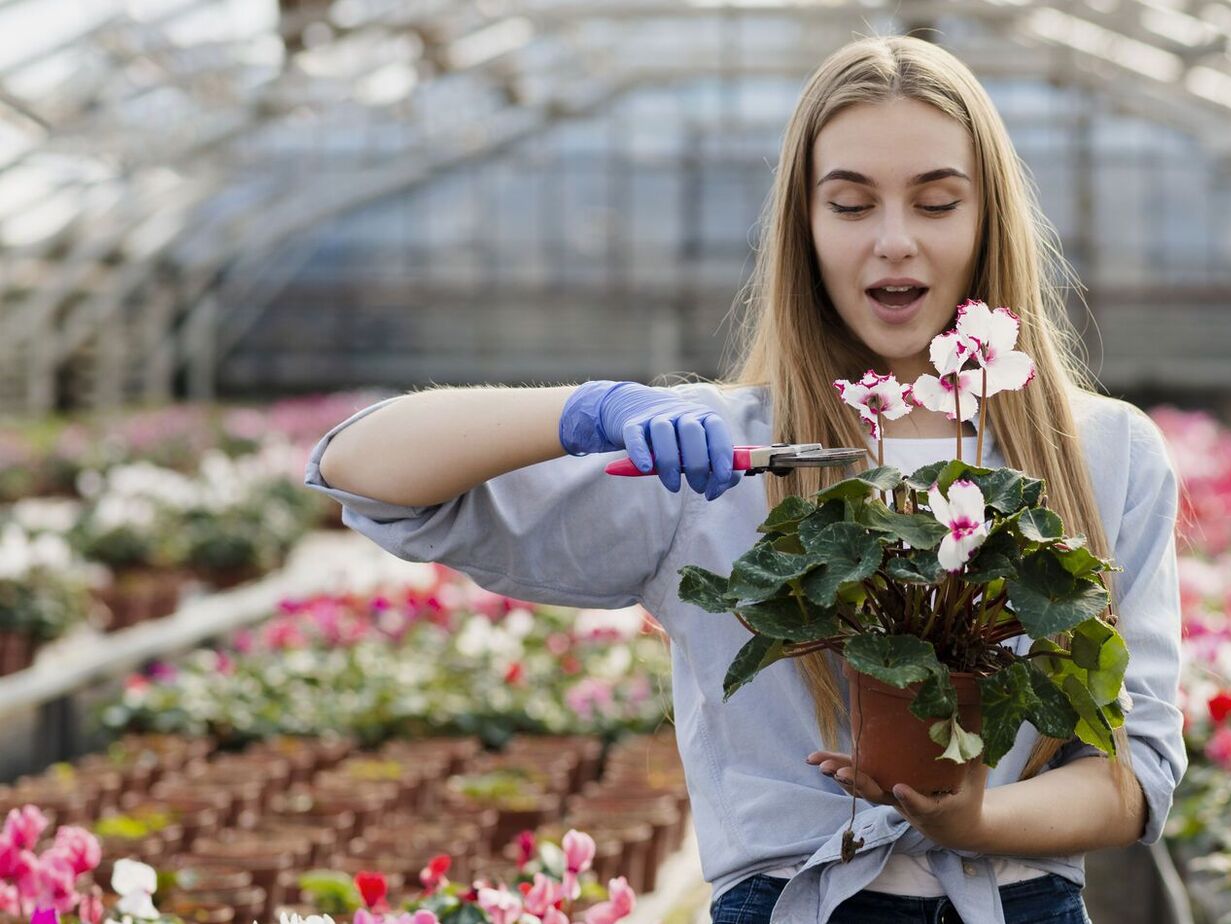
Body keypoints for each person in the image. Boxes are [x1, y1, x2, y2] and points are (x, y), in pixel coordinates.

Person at [307, 34, 1185, 924]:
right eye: (849, 205)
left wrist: (976, 817)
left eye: (937, 203)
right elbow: (363, 473)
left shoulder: (1101, 455)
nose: (893, 242)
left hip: (1019, 899)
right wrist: (592, 409)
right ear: (802, 228)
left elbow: (1135, 772)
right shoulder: (723, 457)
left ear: (987, 219)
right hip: (795, 900)